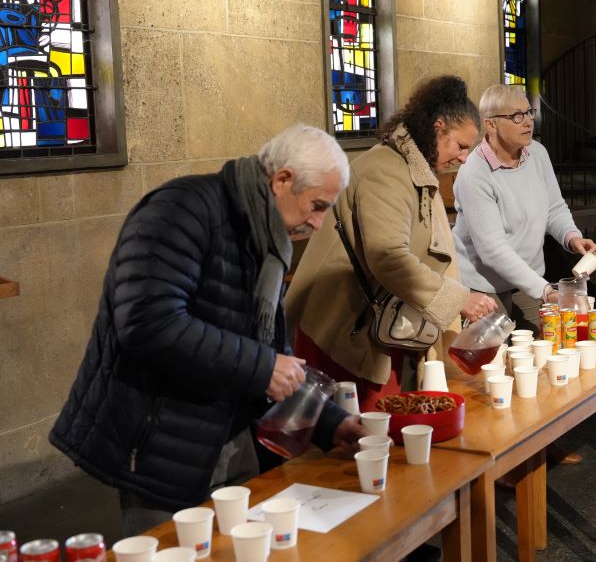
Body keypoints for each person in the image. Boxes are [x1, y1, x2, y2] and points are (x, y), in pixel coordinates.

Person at [49, 124, 367, 535]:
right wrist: (261, 367)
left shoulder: (268, 236)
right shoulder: (180, 210)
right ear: (282, 180)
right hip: (163, 445)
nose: (319, 223)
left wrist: (331, 422)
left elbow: (272, 349)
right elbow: (148, 323)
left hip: (232, 438)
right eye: (317, 206)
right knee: (173, 550)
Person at [285, 75, 497, 410]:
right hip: (343, 327)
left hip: (380, 324)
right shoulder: (385, 169)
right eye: (460, 146)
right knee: (356, 432)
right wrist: (458, 299)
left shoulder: (415, 168)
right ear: (438, 128)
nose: (464, 158)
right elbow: (388, 257)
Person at [451, 84, 596, 334]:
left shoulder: (537, 154)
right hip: (483, 286)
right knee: (497, 354)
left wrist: (572, 237)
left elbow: (554, 207)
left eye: (529, 112)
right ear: (490, 124)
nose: (527, 121)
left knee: (545, 342)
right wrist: (545, 291)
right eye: (516, 116)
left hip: (528, 279)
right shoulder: (474, 173)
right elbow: (493, 250)